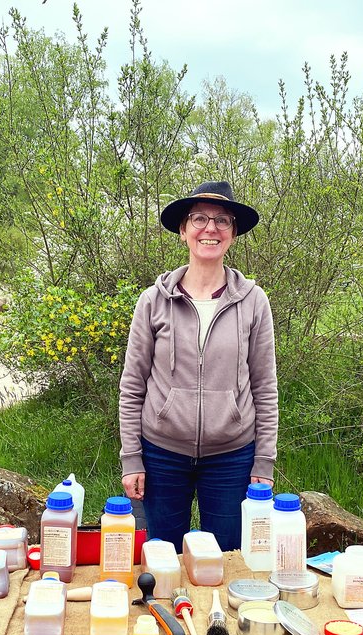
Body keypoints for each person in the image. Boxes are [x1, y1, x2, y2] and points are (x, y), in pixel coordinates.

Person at [119, 180, 278, 552]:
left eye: (223, 221)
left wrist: (263, 463)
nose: (211, 229)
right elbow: (132, 385)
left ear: (233, 234)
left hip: (232, 456)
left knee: (225, 559)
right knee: (162, 559)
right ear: (183, 230)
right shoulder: (153, 301)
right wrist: (132, 459)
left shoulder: (254, 302)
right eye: (199, 219)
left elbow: (264, 387)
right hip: (161, 453)